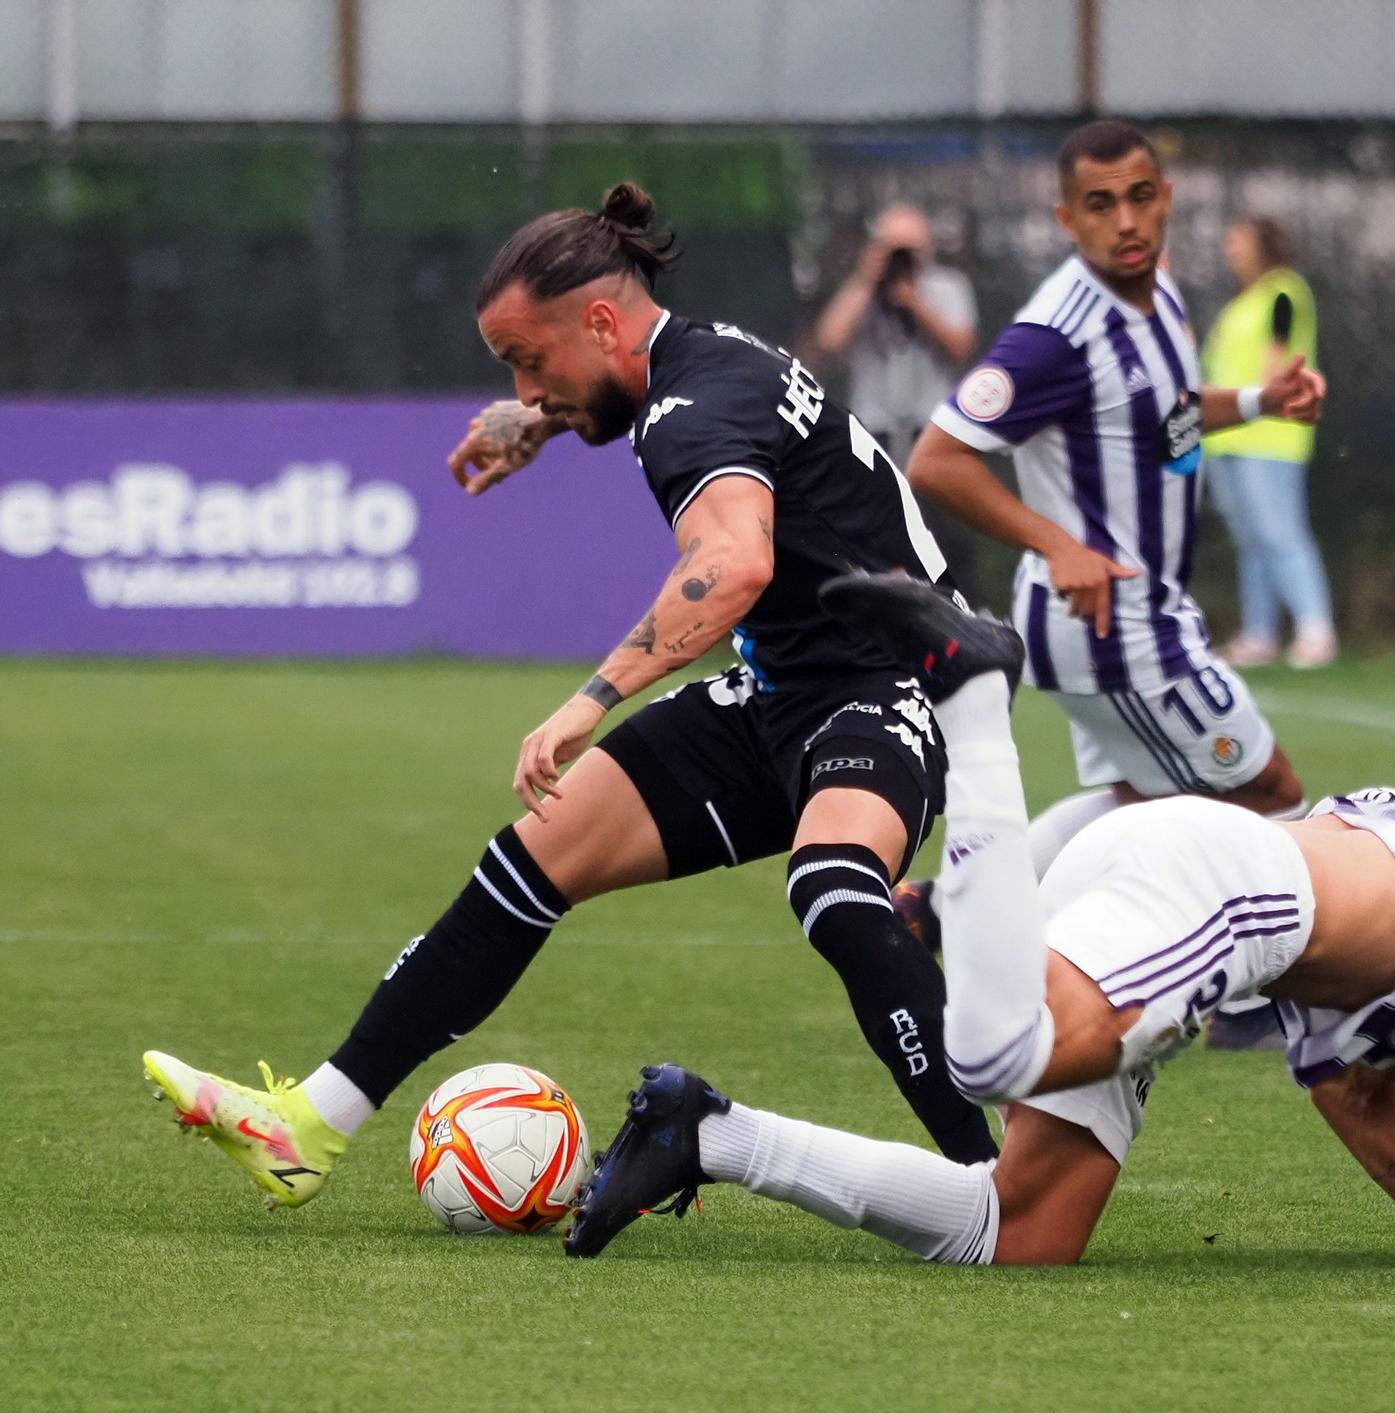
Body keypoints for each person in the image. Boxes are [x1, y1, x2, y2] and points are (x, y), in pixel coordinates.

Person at [140, 183, 999, 1210]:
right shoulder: (690, 361)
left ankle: (994, 1174)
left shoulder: (690, 409)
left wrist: (592, 697)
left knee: (832, 890)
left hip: (894, 682)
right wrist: (538, 416)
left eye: (529, 361)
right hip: (784, 691)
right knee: (534, 857)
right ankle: (308, 1126)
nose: (518, 382)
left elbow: (732, 568)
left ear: (598, 321)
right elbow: (645, 411)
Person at [563, 574, 1395, 1271]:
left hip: (1196, 876)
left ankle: (710, 1134)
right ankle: (977, 700)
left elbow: (1356, 1091)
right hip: (1229, 888)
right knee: (996, 1051)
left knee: (1020, 1231)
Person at [892, 121, 1326, 1048]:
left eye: (1140, 196)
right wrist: (1060, 543)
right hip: (1110, 618)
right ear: (1066, 218)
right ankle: (1257, 1005)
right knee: (1270, 789)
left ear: (1165, 198)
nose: (1125, 221)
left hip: (1134, 611)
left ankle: (942, 910)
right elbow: (936, 459)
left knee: (1148, 805)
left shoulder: (1158, 292)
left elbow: (1162, 419)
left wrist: (1258, 402)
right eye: (1100, 205)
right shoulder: (1057, 333)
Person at [812, 203, 986, 600]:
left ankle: (963, 613)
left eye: (910, 248)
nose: (902, 258)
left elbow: (962, 345)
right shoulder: (862, 290)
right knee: (875, 532)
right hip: (876, 432)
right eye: (894, 249)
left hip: (935, 431)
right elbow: (829, 340)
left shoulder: (947, 286)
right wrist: (864, 280)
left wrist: (915, 301)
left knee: (947, 536)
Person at [1203, 214, 1336, 669]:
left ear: (1263, 244)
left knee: (1281, 532)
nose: (1231, 248)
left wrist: (1267, 392)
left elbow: (1276, 353)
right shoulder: (1242, 300)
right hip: (1226, 437)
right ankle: (1259, 635)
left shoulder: (1283, 289)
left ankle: (1316, 629)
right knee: (1252, 539)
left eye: (1238, 239)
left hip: (1270, 436)